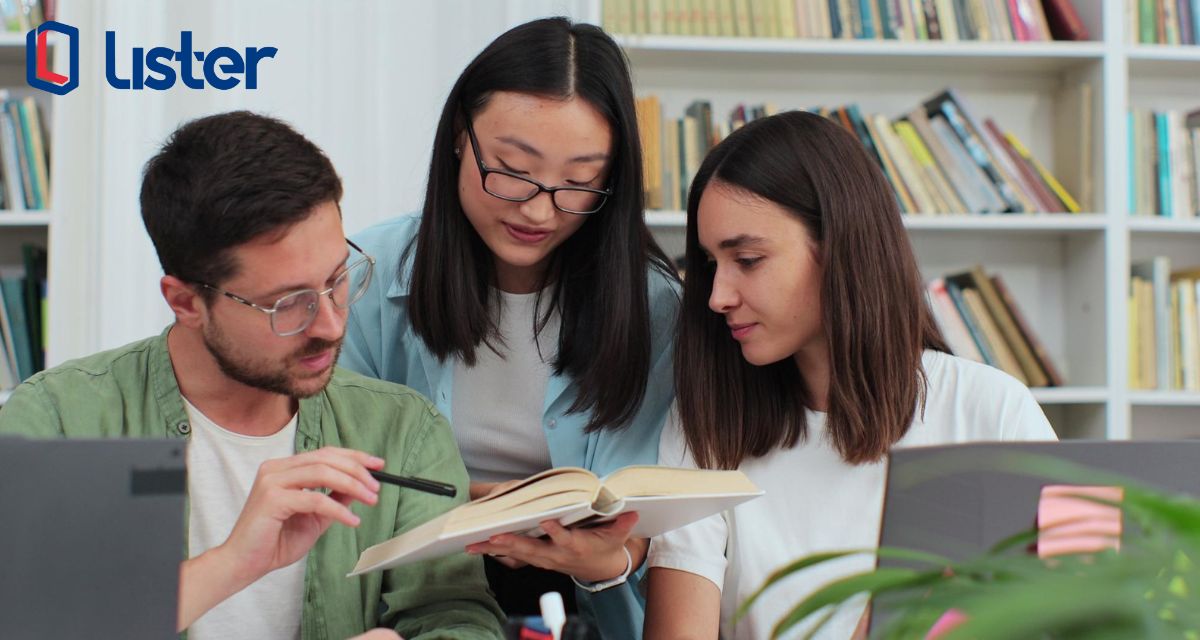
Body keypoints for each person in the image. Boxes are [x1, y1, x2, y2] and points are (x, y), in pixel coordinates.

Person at [0, 111, 503, 640]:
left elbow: (457, 618)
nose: (331, 325)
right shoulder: (59, 420)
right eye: (287, 304)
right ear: (186, 301)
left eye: (337, 280)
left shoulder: (403, 429)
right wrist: (234, 562)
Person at [641, 111, 1058, 640]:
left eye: (747, 259)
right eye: (710, 264)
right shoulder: (707, 423)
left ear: (839, 245)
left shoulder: (990, 412)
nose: (718, 296)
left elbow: (1078, 615)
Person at [339, 17, 679, 639]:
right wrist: (450, 502)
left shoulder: (656, 307)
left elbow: (665, 521)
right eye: (512, 170)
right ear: (459, 140)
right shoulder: (362, 276)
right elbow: (332, 472)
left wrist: (617, 555)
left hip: (587, 603)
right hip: (409, 593)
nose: (540, 209)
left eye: (579, 184)